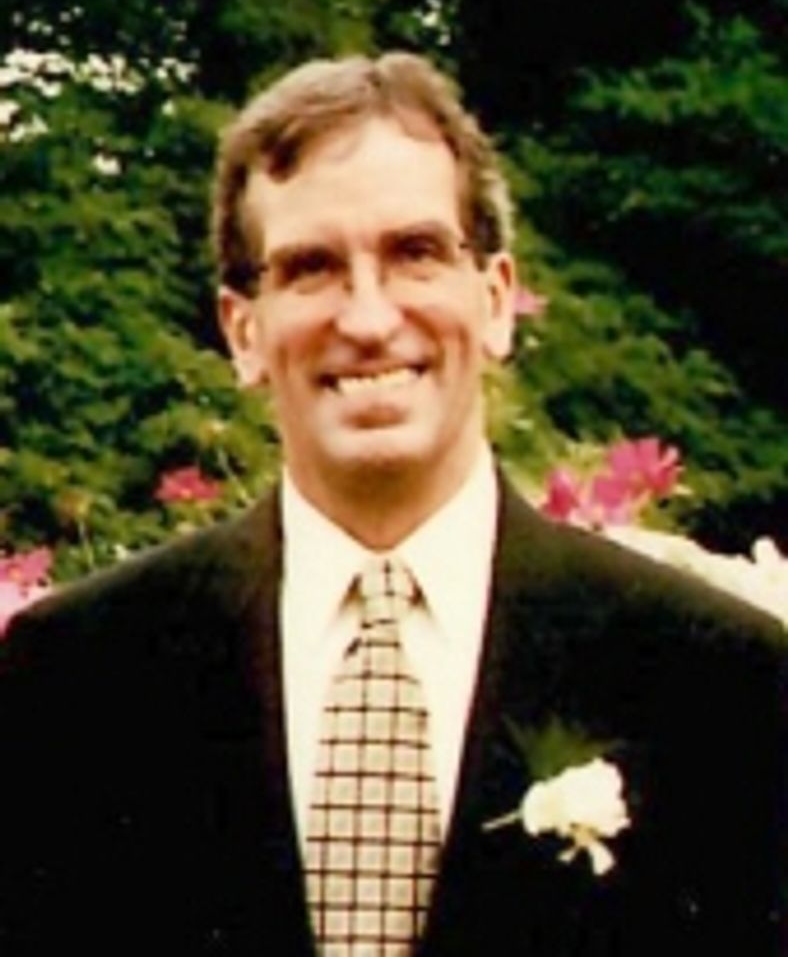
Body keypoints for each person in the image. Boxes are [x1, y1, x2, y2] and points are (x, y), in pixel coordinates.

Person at [0, 52, 786, 957]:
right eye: (312, 268)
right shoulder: (78, 676)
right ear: (243, 330)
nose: (369, 319)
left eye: (415, 253)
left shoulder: (719, 683)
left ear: (496, 301)